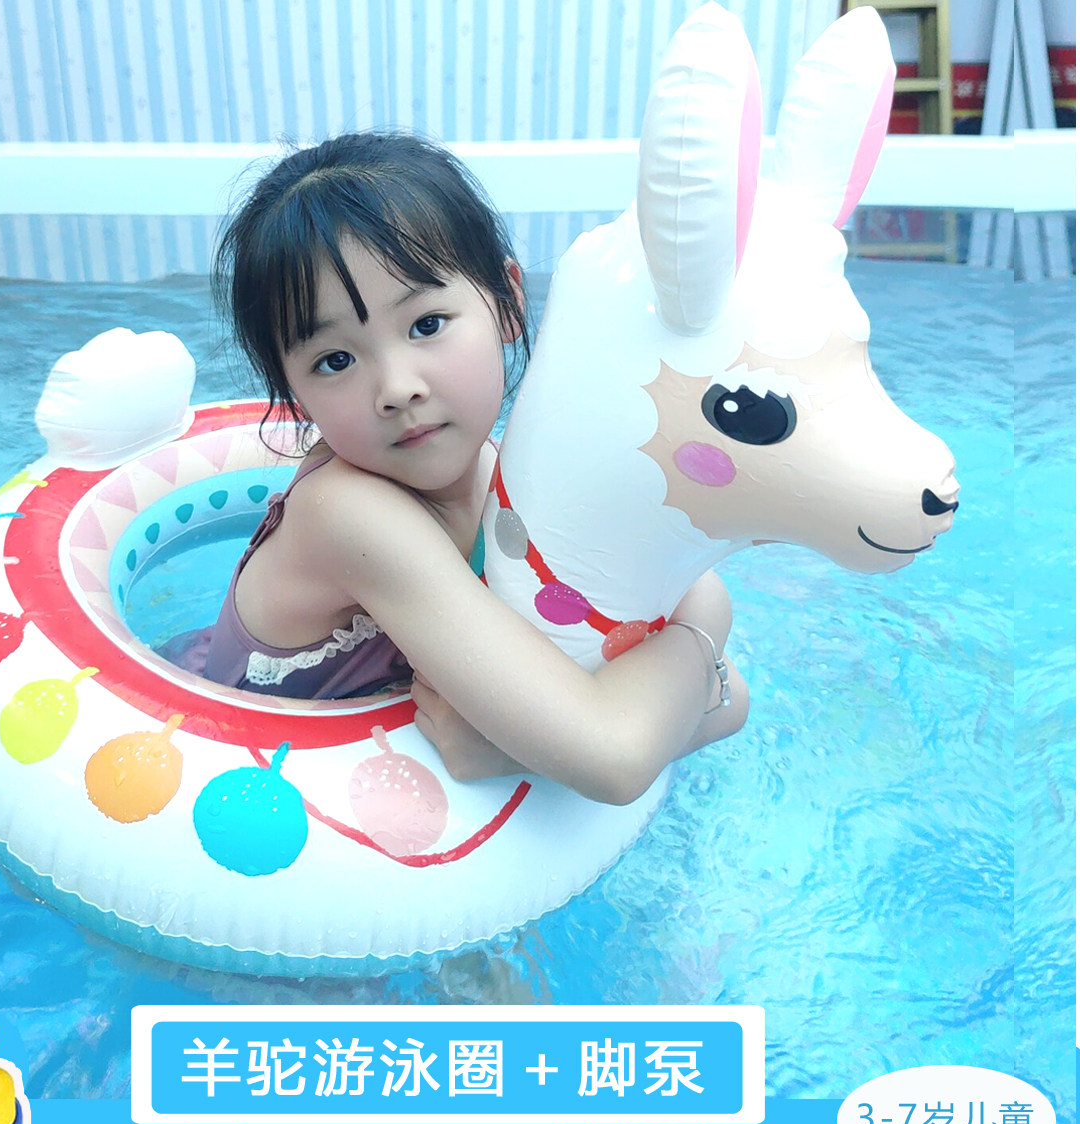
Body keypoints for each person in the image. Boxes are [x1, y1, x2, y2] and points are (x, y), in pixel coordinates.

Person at [190, 131, 747, 804]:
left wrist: (525, 746)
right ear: (294, 392)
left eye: (426, 325)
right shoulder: (346, 514)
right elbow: (618, 757)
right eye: (334, 361)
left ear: (507, 302)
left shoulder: (506, 471)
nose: (397, 388)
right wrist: (695, 653)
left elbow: (727, 685)